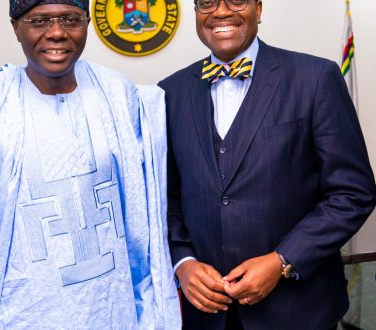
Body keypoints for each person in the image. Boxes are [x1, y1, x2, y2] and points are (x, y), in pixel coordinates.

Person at [0, 0, 181, 328]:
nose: (57, 33)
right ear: (16, 28)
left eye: (70, 19)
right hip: (20, 315)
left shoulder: (119, 95)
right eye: (39, 21)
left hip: (113, 311)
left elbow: (145, 220)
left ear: (87, 23)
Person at [159, 0, 376, 329]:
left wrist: (282, 261)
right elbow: (166, 198)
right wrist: (182, 262)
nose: (220, 12)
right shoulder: (169, 92)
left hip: (300, 311)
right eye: (207, 2)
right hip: (206, 314)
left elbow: (353, 193)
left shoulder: (315, 78)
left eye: (236, 0)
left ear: (258, 9)